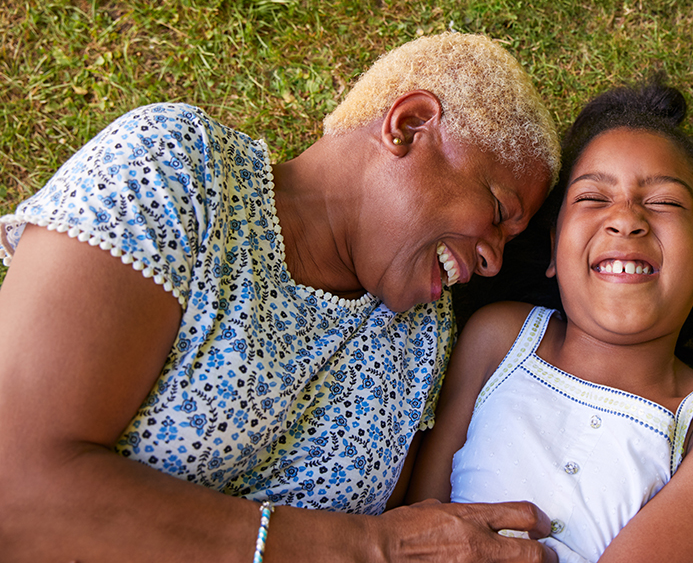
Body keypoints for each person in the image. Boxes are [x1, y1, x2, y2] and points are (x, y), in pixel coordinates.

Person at [0, 32, 566, 562]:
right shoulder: (176, 170)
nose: (492, 259)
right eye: (496, 212)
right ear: (409, 125)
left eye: (508, 243)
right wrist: (371, 548)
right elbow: (16, 487)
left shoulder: (422, 339)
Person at [407, 73, 693, 562]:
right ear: (553, 249)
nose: (627, 218)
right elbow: (416, 527)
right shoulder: (500, 338)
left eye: (664, 202)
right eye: (593, 198)